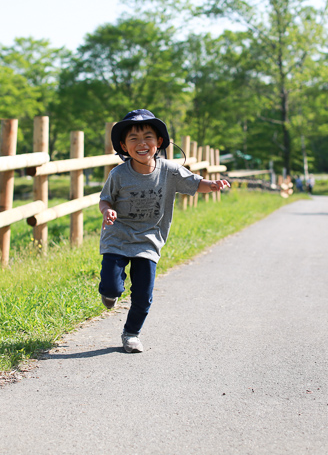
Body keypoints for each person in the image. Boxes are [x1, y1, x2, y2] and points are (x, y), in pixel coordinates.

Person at [98, 109, 230, 353]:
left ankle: (131, 334)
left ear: (159, 142)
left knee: (143, 295)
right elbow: (105, 199)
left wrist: (212, 185)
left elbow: (195, 183)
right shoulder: (118, 174)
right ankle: (112, 290)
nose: (141, 143)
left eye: (148, 137)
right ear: (124, 147)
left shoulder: (169, 170)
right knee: (110, 288)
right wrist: (107, 211)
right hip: (117, 237)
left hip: (149, 240)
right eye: (133, 139)